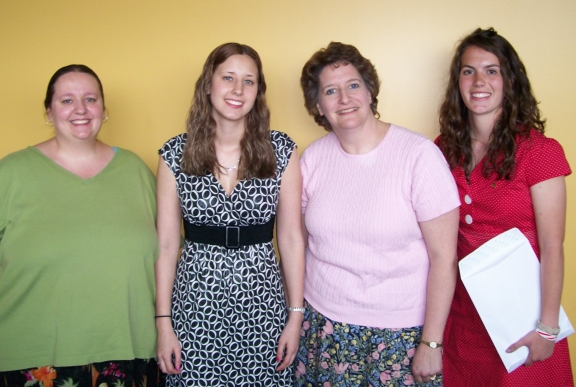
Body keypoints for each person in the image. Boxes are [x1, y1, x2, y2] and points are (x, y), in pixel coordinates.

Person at [294, 42, 460, 386]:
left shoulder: (418, 156)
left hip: (399, 335)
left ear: (370, 91)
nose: (344, 98)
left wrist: (431, 342)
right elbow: (299, 242)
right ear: (317, 105)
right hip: (323, 327)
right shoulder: (312, 159)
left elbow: (444, 257)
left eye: (353, 85)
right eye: (330, 90)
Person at [155, 43, 305, 386]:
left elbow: (292, 239)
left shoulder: (281, 150)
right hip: (194, 308)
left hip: (262, 305)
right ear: (208, 84)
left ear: (258, 92)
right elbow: (165, 246)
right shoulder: (175, 154)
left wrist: (294, 319)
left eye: (249, 81)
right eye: (228, 78)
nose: (238, 90)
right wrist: (164, 324)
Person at [0, 65, 159, 386]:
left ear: (103, 108)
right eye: (67, 100)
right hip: (33, 356)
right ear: (49, 110)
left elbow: (167, 255)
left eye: (90, 99)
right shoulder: (11, 173)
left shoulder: (135, 170)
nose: (81, 110)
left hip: (128, 352)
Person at [436, 28, 574, 386]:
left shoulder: (540, 152)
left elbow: (552, 246)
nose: (479, 81)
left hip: (522, 318)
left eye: (491, 70)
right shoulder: (443, 148)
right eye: (468, 71)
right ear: (457, 82)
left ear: (509, 80)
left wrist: (547, 328)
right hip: (462, 318)